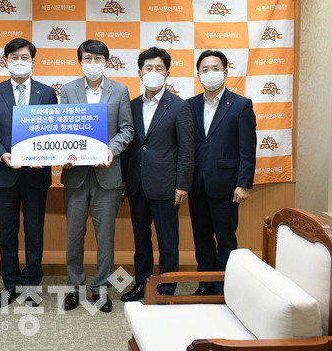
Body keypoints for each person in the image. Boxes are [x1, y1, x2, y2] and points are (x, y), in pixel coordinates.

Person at [0, 38, 58, 307]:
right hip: (5, 173)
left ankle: (31, 285)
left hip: (36, 175)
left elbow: (53, 131)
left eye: (24, 57)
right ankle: (10, 284)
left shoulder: (47, 93)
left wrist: (45, 156)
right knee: (7, 233)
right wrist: (3, 154)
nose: (19, 62)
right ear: (6, 61)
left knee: (34, 233)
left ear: (33, 61)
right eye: (14, 57)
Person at [60, 39, 134, 313]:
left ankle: (101, 288)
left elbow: (126, 129)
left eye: (98, 59)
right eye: (88, 59)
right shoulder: (68, 90)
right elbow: (62, 129)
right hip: (76, 174)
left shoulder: (120, 90)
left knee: (105, 237)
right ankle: (74, 288)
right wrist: (65, 151)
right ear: (80, 61)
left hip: (107, 173)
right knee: (73, 235)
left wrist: (111, 150)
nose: (93, 63)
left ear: (107, 61)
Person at [120, 47, 194, 302]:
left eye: (158, 68)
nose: (153, 72)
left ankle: (166, 288)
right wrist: (123, 180)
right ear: (140, 73)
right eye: (148, 68)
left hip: (166, 185)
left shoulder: (179, 107)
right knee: (141, 241)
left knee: (167, 241)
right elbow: (128, 146)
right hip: (136, 184)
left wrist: (183, 185)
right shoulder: (131, 106)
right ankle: (142, 283)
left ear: (167, 74)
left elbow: (187, 149)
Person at [188, 50, 257, 295]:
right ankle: (205, 285)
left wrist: (243, 184)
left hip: (227, 186)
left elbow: (247, 148)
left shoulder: (241, 105)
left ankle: (225, 288)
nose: (210, 74)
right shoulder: (190, 105)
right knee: (201, 239)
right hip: (197, 184)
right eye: (205, 69)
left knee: (226, 240)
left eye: (215, 69)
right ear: (198, 74)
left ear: (225, 72)